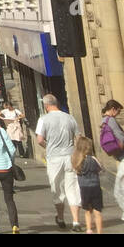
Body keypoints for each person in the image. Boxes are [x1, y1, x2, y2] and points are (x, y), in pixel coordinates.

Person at [33, 94, 82, 231]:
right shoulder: (69, 117)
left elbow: (40, 139)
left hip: (54, 158)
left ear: (46, 106)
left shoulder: (43, 119)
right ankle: (76, 222)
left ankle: (60, 218)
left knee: (57, 188)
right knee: (72, 188)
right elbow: (78, 137)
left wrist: (48, 146)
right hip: (70, 156)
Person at [70, 135, 103, 235]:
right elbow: (101, 169)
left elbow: (75, 171)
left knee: (87, 211)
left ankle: (89, 229)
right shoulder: (93, 159)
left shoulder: (76, 160)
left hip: (84, 189)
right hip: (95, 187)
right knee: (97, 212)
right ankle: (99, 231)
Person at [100, 99, 124, 215]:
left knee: (121, 186)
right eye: (118, 112)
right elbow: (121, 137)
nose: (118, 114)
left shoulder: (103, 121)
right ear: (113, 109)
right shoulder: (111, 120)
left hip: (121, 156)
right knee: (121, 187)